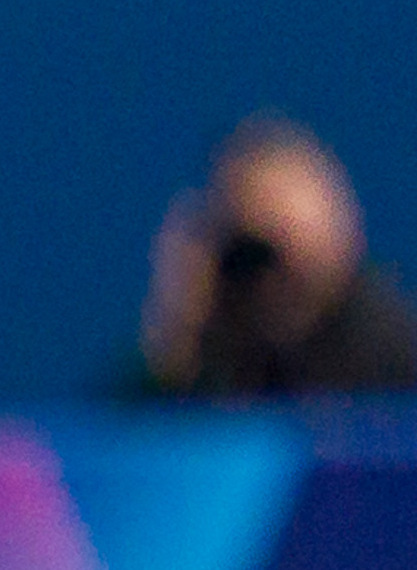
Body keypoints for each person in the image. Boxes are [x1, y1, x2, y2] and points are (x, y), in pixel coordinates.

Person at [133, 116, 417, 404]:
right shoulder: (226, 342)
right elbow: (149, 421)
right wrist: (180, 314)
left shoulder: (392, 346)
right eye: (253, 250)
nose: (271, 276)